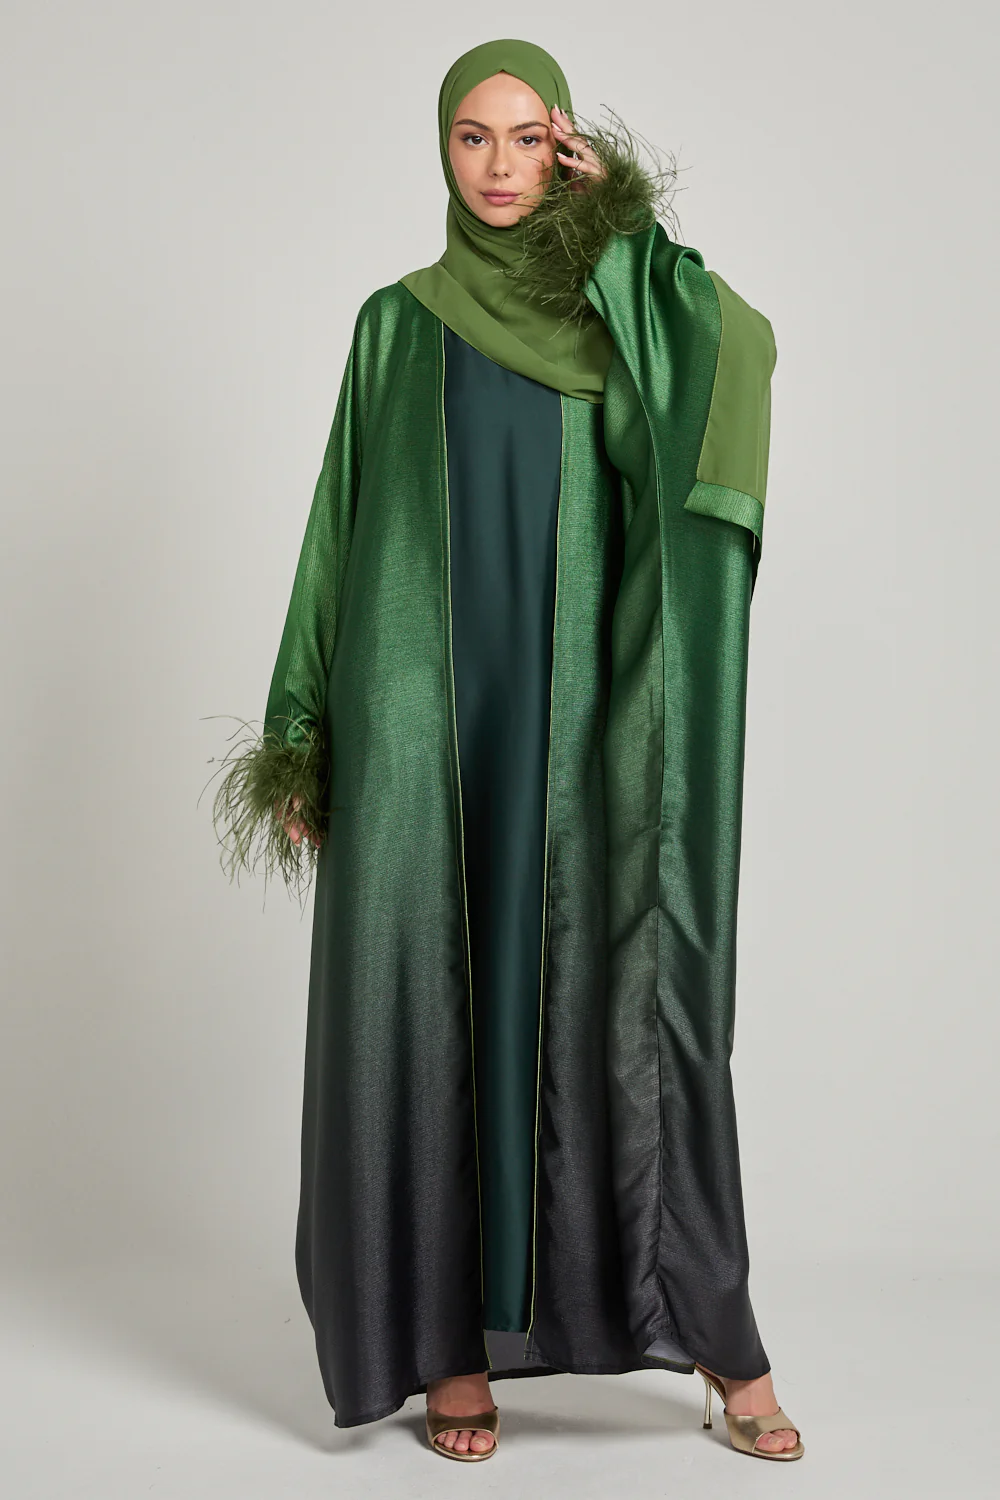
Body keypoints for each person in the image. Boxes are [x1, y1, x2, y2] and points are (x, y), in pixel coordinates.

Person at [211, 36, 802, 1466]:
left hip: (585, 722)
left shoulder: (618, 314)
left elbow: (739, 347)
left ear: (564, 148)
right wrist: (302, 728)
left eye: (527, 138)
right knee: (428, 1002)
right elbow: (337, 523)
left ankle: (716, 1336)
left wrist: (625, 226)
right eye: (471, 137)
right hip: (425, 721)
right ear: (441, 149)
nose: (497, 166)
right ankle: (452, 1351)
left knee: (628, 995)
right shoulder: (395, 325)